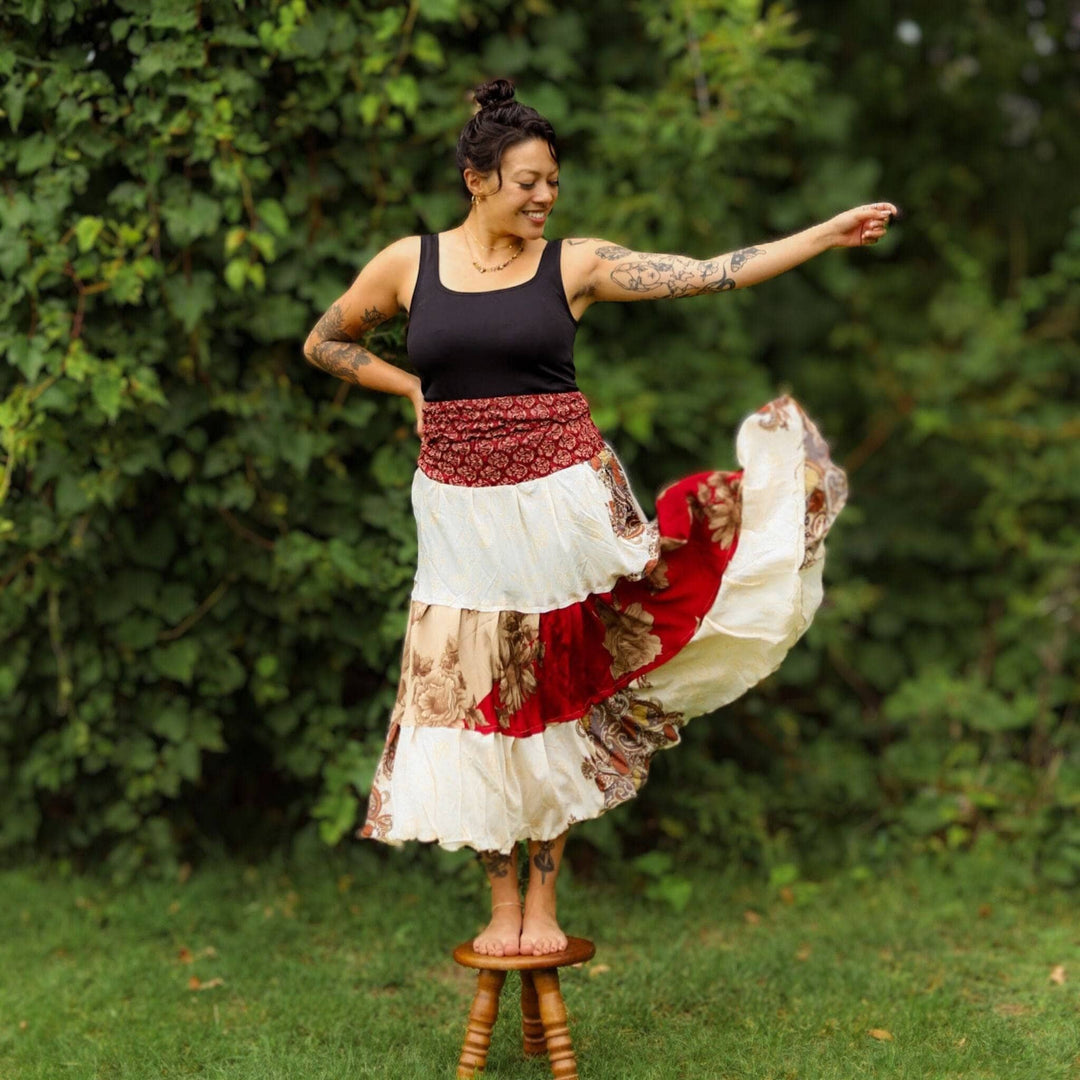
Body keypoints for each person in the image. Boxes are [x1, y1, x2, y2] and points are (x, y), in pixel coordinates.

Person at [303, 78, 897, 959]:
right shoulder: (408, 264)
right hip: (458, 514)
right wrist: (412, 386)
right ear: (477, 179)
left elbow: (710, 272)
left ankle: (541, 904)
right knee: (471, 696)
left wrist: (824, 233)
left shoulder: (571, 264)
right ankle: (499, 905)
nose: (545, 196)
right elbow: (325, 342)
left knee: (554, 693)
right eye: (527, 181)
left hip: (561, 503)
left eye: (553, 181)